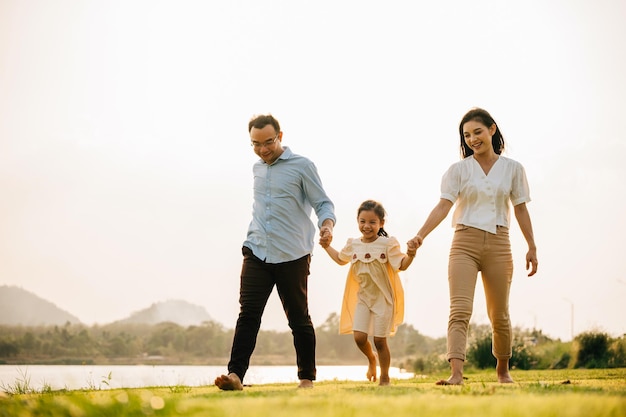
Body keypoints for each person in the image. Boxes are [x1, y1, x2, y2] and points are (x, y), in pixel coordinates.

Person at [409, 108, 538, 385]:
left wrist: (531, 246)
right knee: (459, 310)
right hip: (464, 243)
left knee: (500, 314)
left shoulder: (513, 169)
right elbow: (444, 206)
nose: (472, 139)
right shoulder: (458, 170)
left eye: (477, 132)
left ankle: (503, 372)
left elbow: (521, 209)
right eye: (466, 135)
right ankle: (456, 374)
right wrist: (420, 236)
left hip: (499, 243)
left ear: (492, 129)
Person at [214, 114, 336, 390]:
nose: (263, 149)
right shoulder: (257, 169)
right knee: (248, 315)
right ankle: (235, 376)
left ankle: (306, 379)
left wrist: (327, 227)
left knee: (298, 319)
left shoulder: (303, 166)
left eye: (268, 142)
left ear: (280, 136)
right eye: (256, 144)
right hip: (257, 250)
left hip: (293, 254)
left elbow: (324, 204)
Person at [320, 200, 416, 386]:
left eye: (372, 222)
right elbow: (340, 259)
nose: (367, 226)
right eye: (362, 221)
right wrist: (326, 247)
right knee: (359, 338)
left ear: (381, 223)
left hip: (383, 299)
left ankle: (385, 376)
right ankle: (371, 359)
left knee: (380, 341)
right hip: (363, 299)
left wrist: (411, 255)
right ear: (357, 221)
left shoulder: (387, 244)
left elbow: (401, 265)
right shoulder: (354, 244)